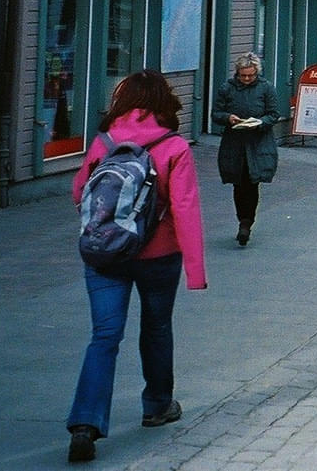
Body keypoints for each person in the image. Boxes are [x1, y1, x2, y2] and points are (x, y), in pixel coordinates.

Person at [66, 70, 206, 463]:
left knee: (105, 335)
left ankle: (85, 424)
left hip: (105, 254)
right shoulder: (174, 145)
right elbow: (184, 209)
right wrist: (195, 269)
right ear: (165, 101)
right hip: (158, 256)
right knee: (156, 327)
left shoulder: (105, 140)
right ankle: (157, 405)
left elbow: (79, 191)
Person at [212, 51, 279, 247]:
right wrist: (228, 118)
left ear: (256, 73)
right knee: (238, 183)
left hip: (258, 143)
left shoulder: (266, 88)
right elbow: (216, 113)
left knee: (252, 182)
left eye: (251, 75)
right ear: (237, 73)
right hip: (235, 143)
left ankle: (246, 222)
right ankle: (243, 219)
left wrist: (260, 123)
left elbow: (273, 114)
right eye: (243, 75)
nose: (247, 79)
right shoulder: (227, 88)